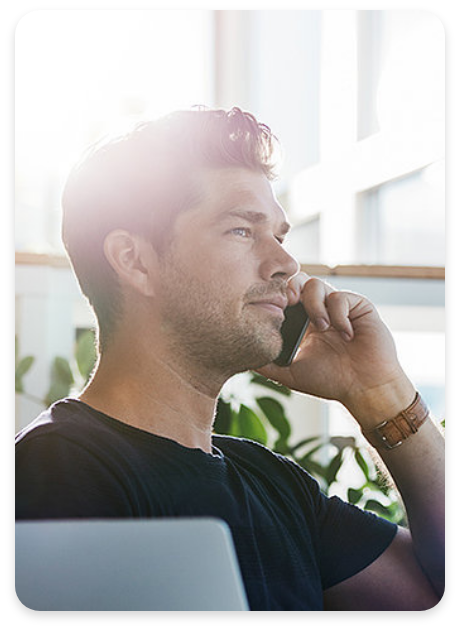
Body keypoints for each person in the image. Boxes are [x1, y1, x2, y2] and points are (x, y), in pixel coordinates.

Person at [15, 108, 444, 611]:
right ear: (134, 260)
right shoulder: (59, 470)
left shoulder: (273, 481)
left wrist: (380, 396)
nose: (286, 264)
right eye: (243, 230)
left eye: (279, 237)